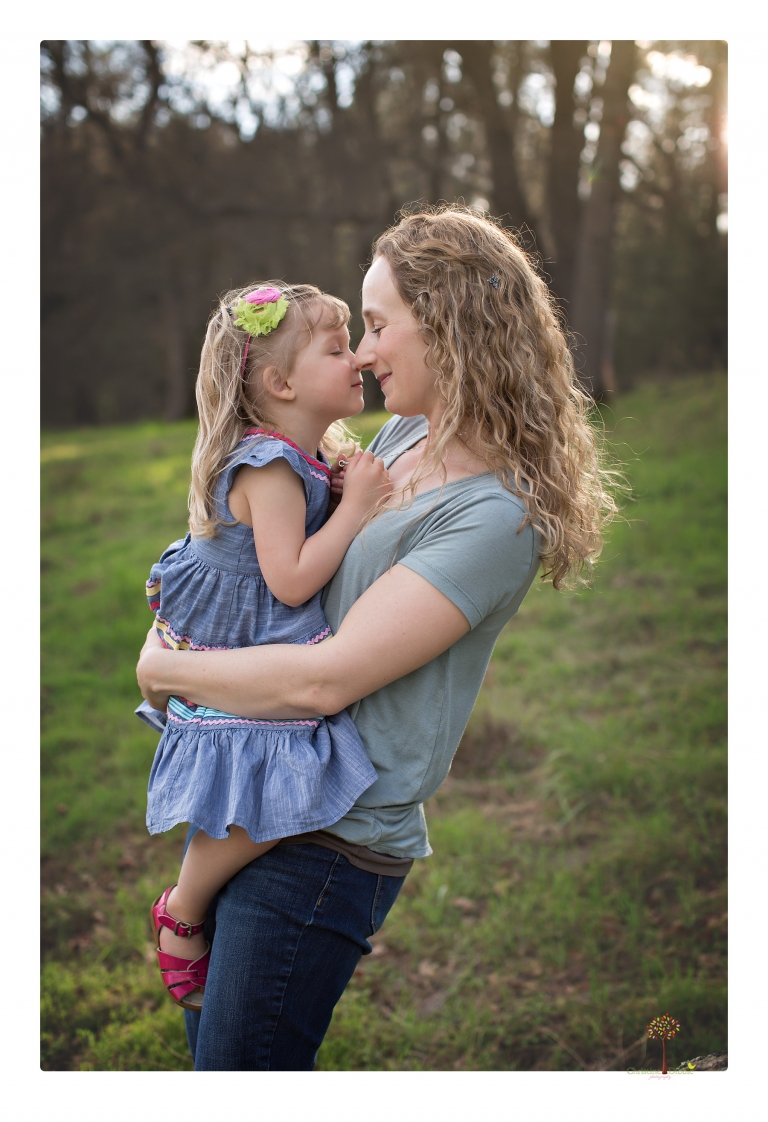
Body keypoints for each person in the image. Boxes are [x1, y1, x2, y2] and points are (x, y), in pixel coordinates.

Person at [137, 205, 617, 1069]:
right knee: (213, 1057)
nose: (362, 352)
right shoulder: (405, 433)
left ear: (451, 327)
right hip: (263, 776)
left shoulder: (495, 518)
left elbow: (327, 681)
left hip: (330, 839)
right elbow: (272, 548)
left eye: (379, 325)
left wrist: (169, 669)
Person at [140, 282, 391, 1010]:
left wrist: (338, 493)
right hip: (239, 634)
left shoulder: (296, 457)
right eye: (338, 349)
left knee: (275, 780)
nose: (359, 360)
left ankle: (195, 904)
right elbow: (292, 579)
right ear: (281, 384)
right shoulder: (269, 466)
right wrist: (357, 508)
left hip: (251, 627)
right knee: (275, 776)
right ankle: (183, 908)